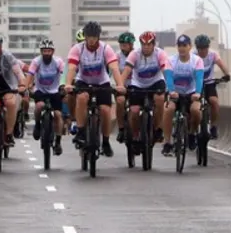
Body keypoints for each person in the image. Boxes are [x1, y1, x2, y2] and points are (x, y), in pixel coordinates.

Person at [64, 21, 126, 157]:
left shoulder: (106, 49)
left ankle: (105, 142)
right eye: (89, 36)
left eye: (94, 36)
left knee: (105, 110)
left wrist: (120, 85)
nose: (91, 39)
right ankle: (80, 131)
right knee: (81, 97)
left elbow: (114, 68)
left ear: (98, 37)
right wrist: (68, 83)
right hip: (83, 81)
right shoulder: (77, 49)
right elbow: (72, 68)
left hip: (102, 82)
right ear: (85, 37)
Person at [119, 31, 170, 149]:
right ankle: (136, 134)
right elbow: (126, 71)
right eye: (143, 45)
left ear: (153, 44)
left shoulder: (160, 54)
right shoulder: (134, 54)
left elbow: (165, 72)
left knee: (160, 99)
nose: (146, 48)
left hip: (155, 82)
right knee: (134, 111)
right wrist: (121, 86)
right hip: (138, 84)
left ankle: (157, 129)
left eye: (149, 45)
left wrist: (171, 88)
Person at [161, 34, 205, 156]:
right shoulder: (171, 60)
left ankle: (191, 133)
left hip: (191, 93)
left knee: (196, 111)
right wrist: (171, 91)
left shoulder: (197, 61)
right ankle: (167, 142)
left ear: (190, 47)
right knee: (168, 109)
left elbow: (199, 78)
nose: (182, 48)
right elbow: (169, 77)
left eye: (184, 45)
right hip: (176, 93)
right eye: (179, 46)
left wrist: (198, 93)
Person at [24, 38, 65, 155]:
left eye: (49, 51)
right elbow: (30, 74)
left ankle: (58, 141)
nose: (47, 53)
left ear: (53, 51)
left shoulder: (58, 62)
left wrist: (64, 86)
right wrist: (26, 87)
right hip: (40, 90)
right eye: (44, 51)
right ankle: (37, 125)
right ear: (41, 52)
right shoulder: (36, 61)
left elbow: (64, 73)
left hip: (55, 91)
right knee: (39, 106)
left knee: (58, 114)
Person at [194, 34, 231, 139]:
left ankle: (213, 126)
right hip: (196, 84)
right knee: (192, 106)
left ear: (208, 47)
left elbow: (221, 64)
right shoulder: (193, 56)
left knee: (214, 102)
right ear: (197, 48)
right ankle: (190, 129)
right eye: (200, 48)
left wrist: (226, 74)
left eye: (205, 48)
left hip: (209, 83)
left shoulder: (213, 55)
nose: (202, 51)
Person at [113, 32, 136, 142]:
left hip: (135, 85)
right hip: (121, 85)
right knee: (120, 101)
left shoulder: (137, 54)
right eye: (121, 44)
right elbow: (113, 70)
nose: (123, 47)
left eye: (125, 45)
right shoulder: (117, 56)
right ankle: (121, 128)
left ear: (131, 45)